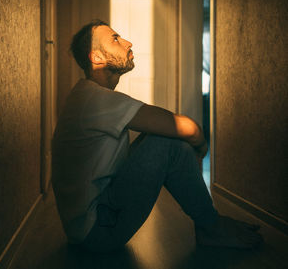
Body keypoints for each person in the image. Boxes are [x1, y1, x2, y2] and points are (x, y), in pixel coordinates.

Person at [51, 20, 263, 253]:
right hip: (97, 232)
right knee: (167, 141)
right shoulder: (94, 99)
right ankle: (211, 226)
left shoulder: (86, 96)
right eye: (115, 39)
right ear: (97, 58)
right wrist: (201, 148)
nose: (128, 42)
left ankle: (212, 222)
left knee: (158, 135)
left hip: (90, 226)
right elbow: (188, 128)